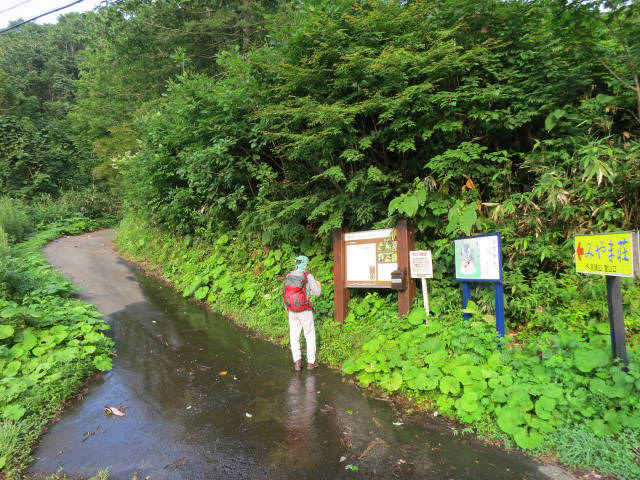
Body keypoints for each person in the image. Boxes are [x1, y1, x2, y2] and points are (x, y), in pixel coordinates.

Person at [283, 255, 321, 371]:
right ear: (306, 265)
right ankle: (311, 362)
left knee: (294, 336)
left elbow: (287, 292)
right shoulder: (308, 276)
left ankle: (297, 363)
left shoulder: (289, 275)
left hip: (292, 310)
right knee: (309, 335)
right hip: (304, 310)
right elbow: (317, 293)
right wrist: (319, 285)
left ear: (296, 264)